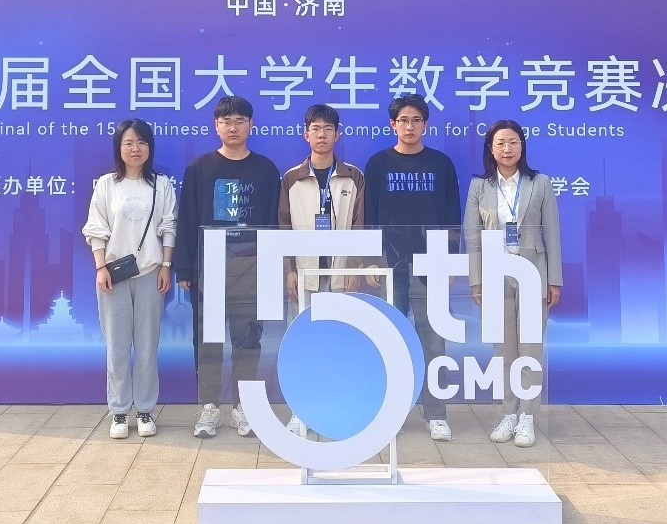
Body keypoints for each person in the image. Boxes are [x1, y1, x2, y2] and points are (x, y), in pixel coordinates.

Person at [174, 96, 281, 438]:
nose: (233, 127)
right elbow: (186, 220)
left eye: (239, 121)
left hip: (252, 265)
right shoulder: (200, 168)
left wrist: (271, 267)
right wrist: (185, 270)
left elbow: (272, 223)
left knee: (248, 338)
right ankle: (209, 407)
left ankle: (242, 406)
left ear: (251, 125)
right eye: (226, 121)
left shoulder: (265, 169)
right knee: (208, 340)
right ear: (216, 126)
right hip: (209, 267)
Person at [364, 94, 460, 441]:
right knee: (391, 339)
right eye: (403, 120)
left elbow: (451, 217)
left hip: (432, 264)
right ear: (393, 125)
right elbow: (370, 215)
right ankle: (391, 412)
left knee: (433, 340)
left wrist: (450, 262)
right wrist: (371, 259)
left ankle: (435, 413)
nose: (409, 126)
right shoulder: (378, 164)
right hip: (392, 263)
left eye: (416, 120)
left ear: (425, 125)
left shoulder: (441, 164)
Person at [464, 120, 562, 448]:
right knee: (504, 349)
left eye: (513, 142)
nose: (507, 149)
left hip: (533, 272)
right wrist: (476, 280)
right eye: (501, 143)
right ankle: (509, 414)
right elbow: (473, 237)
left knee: (530, 348)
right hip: (496, 275)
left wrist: (554, 280)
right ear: (490, 149)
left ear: (522, 146)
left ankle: (528, 417)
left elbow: (553, 233)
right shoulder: (479, 186)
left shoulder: (540, 183)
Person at [83, 119, 177, 439]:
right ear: (119, 148)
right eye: (128, 143)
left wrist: (166, 265)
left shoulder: (161, 184)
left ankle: (146, 409)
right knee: (117, 346)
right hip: (114, 275)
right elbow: (96, 228)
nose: (135, 149)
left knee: (148, 346)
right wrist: (100, 268)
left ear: (150, 147)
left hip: (151, 273)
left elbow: (169, 227)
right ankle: (120, 411)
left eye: (141, 142)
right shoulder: (107, 184)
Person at [278, 103, 366, 437]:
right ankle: (301, 410)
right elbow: (283, 228)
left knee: (340, 343)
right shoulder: (291, 178)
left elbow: (360, 225)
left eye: (328, 129)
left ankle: (335, 407)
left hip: (341, 275)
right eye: (315, 129)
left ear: (337, 135)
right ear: (306, 134)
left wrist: (355, 266)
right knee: (302, 343)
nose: (322, 135)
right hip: (305, 276)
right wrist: (289, 269)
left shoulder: (354, 176)